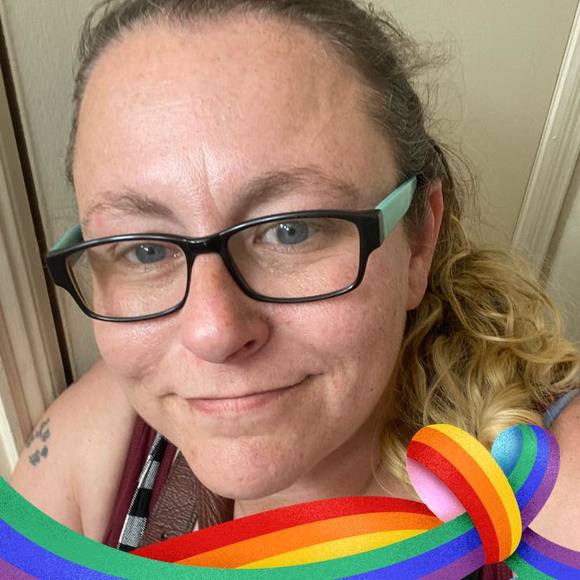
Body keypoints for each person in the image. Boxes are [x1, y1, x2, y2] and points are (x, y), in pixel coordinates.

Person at [9, 0, 580, 572]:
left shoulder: (550, 489)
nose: (213, 333)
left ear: (419, 242)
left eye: (291, 230)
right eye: (145, 250)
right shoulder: (108, 439)